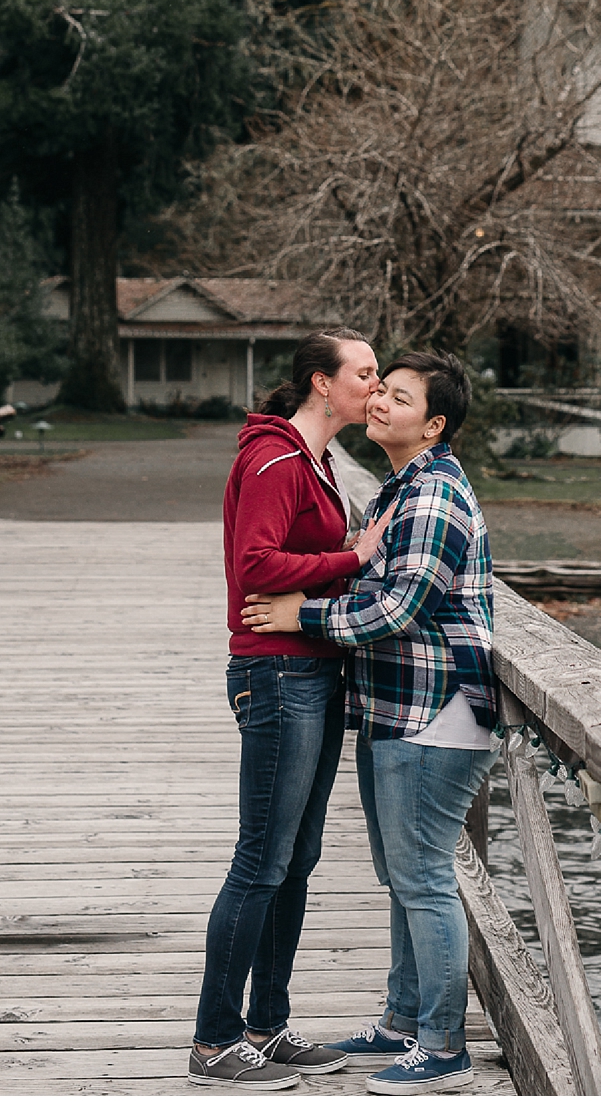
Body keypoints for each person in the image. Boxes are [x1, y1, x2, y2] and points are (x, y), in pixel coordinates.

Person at [243, 351, 494, 1096]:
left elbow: (399, 608)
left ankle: (443, 1048)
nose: (379, 402)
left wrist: (301, 614)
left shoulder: (435, 497)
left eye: (399, 396)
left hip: (436, 712)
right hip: (395, 705)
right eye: (378, 390)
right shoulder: (400, 486)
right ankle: (403, 1019)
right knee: (400, 874)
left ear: (434, 424)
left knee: (421, 877)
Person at [191, 329, 397, 1091]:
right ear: (322, 382)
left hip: (312, 670)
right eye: (365, 375)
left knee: (297, 862)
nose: (376, 388)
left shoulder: (311, 459)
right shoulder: (275, 458)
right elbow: (256, 564)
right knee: (261, 860)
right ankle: (214, 1041)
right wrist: (355, 556)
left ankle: (266, 1026)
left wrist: (344, 551)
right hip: (277, 675)